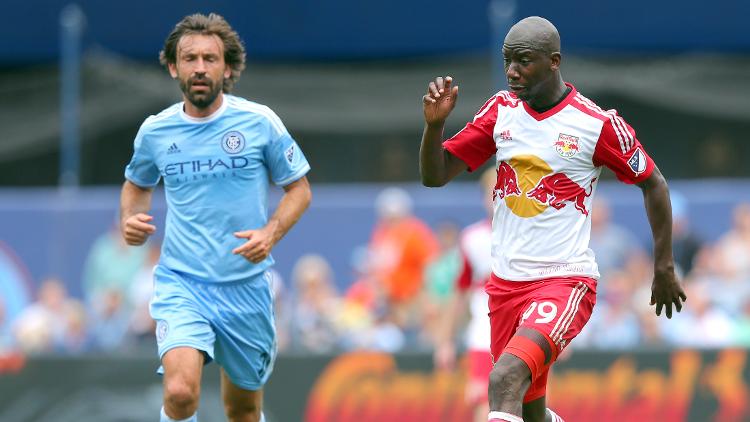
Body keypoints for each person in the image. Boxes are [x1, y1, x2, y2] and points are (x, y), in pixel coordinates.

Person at [419, 16, 686, 422]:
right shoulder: (500, 111)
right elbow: (435, 175)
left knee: (503, 379)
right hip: (504, 287)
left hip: (563, 281)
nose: (512, 71)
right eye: (508, 60)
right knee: (530, 413)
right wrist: (434, 126)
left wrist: (663, 266)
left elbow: (655, 184)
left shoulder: (595, 124)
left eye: (523, 61)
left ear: (554, 61)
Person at [120, 13, 311, 422]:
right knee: (180, 392)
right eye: (190, 58)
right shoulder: (156, 131)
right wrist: (131, 218)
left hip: (246, 289)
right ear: (173, 66)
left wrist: (270, 233)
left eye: (210, 58)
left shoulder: (259, 122)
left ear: (227, 67)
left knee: (241, 409)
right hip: (182, 283)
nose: (200, 67)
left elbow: (300, 189)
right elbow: (136, 184)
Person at [433, 167, 495, 422]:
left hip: (526, 329)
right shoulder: (473, 238)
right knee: (484, 404)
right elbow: (459, 292)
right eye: (493, 192)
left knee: (531, 402)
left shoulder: (535, 232)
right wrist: (445, 342)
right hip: (485, 333)